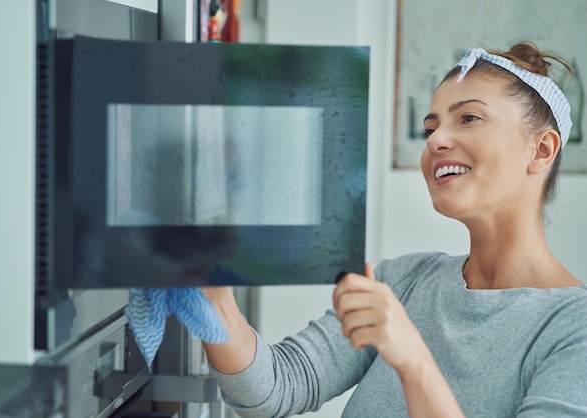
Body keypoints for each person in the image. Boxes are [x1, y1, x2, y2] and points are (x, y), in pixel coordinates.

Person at [200, 41, 587, 417]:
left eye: (468, 118)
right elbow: (274, 390)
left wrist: (413, 360)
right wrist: (212, 295)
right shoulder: (402, 282)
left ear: (541, 150)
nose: (436, 139)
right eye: (429, 128)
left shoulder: (574, 327)